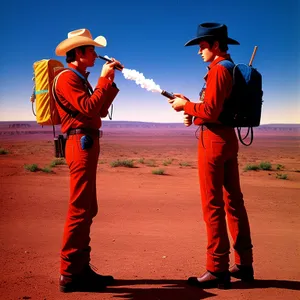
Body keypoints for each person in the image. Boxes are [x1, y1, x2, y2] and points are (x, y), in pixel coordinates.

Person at [168, 23, 254, 289]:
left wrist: (187, 106)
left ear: (216, 45)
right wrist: (193, 111)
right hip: (227, 138)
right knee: (234, 202)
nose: (199, 52)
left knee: (213, 204)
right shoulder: (230, 69)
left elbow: (213, 110)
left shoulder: (218, 71)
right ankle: (243, 263)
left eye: (202, 47)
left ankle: (217, 268)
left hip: (214, 143)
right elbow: (215, 109)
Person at [54, 28, 123, 293]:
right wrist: (104, 81)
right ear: (79, 53)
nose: (97, 54)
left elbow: (100, 109)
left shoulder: (81, 79)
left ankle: (81, 267)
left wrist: (109, 82)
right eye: (92, 50)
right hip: (79, 144)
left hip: (87, 143)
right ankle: (70, 273)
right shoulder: (66, 79)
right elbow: (90, 108)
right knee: (79, 208)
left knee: (88, 207)